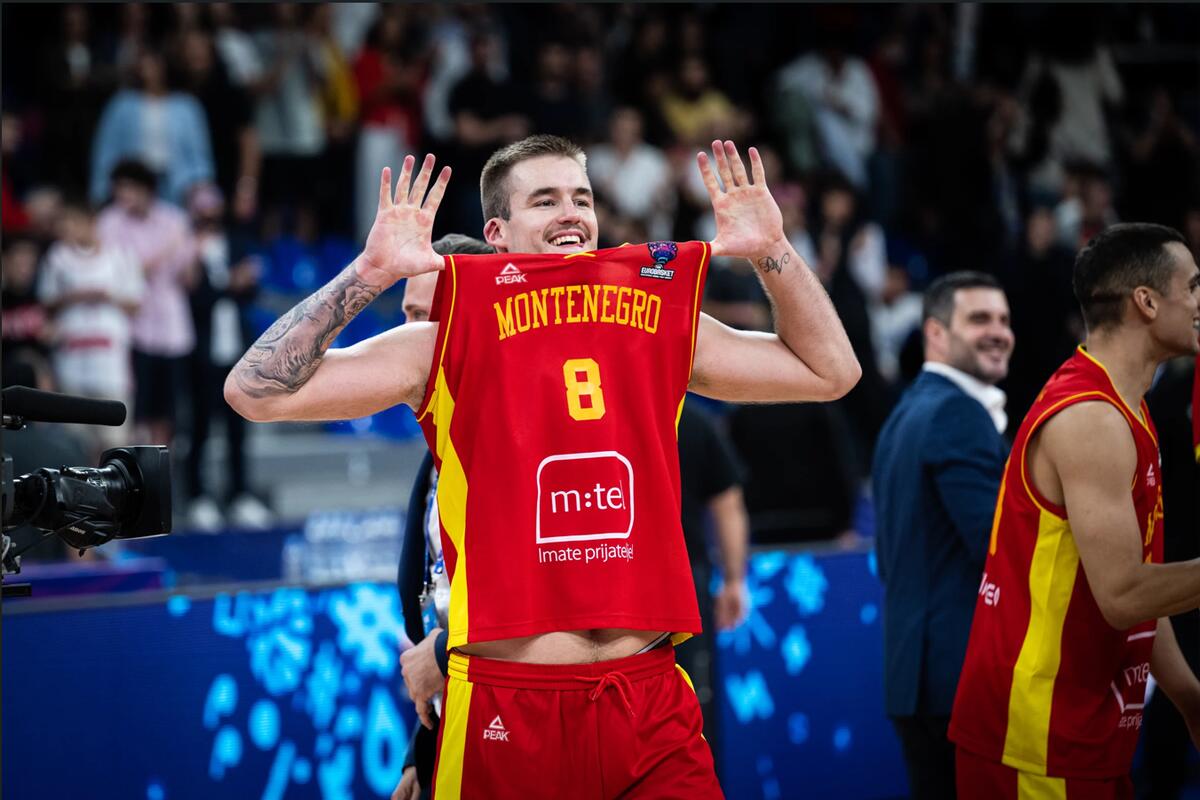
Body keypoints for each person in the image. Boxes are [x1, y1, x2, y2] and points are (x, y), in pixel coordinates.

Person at [226, 135, 860, 798]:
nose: (571, 213)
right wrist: (370, 272)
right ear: (497, 233)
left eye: (582, 198)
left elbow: (831, 371)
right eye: (546, 200)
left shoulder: (656, 320)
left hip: (648, 697)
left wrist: (771, 251)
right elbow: (254, 391)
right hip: (510, 704)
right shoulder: (441, 339)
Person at [949, 223, 1200, 797]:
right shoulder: (1092, 417)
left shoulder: (1127, 408)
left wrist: (1188, 696)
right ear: (1146, 302)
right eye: (1192, 287)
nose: (1198, 303)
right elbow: (1124, 595)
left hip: (1082, 725)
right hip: (1035, 734)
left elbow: (1140, 586)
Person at [872, 271, 1014, 799]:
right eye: (979, 319)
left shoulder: (905, 413)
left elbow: (889, 554)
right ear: (935, 332)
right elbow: (1000, 551)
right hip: (959, 680)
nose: (998, 332)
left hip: (917, 680)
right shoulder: (958, 413)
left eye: (1004, 320)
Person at [393, 234, 497, 800]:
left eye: (428, 316)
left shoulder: (525, 438)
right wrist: (422, 751)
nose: (410, 336)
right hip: (453, 713)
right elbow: (439, 596)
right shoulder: (437, 448)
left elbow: (553, 592)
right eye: (408, 315)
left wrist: (439, 653)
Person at [98, 160, 197, 447]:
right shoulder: (109, 222)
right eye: (118, 188)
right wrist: (164, 252)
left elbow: (188, 277)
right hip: (132, 329)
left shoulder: (174, 219)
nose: (122, 195)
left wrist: (191, 258)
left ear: (147, 189)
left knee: (167, 410)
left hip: (172, 327)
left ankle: (161, 462)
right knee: (136, 407)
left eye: (128, 187)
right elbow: (117, 273)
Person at [39, 198, 145, 456]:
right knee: (75, 441)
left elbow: (136, 304)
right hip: (72, 359)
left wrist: (107, 296)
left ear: (90, 222)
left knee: (114, 440)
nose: (67, 229)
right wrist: (74, 296)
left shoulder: (120, 255)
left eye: (72, 222)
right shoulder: (57, 257)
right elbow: (46, 302)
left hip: (110, 361)